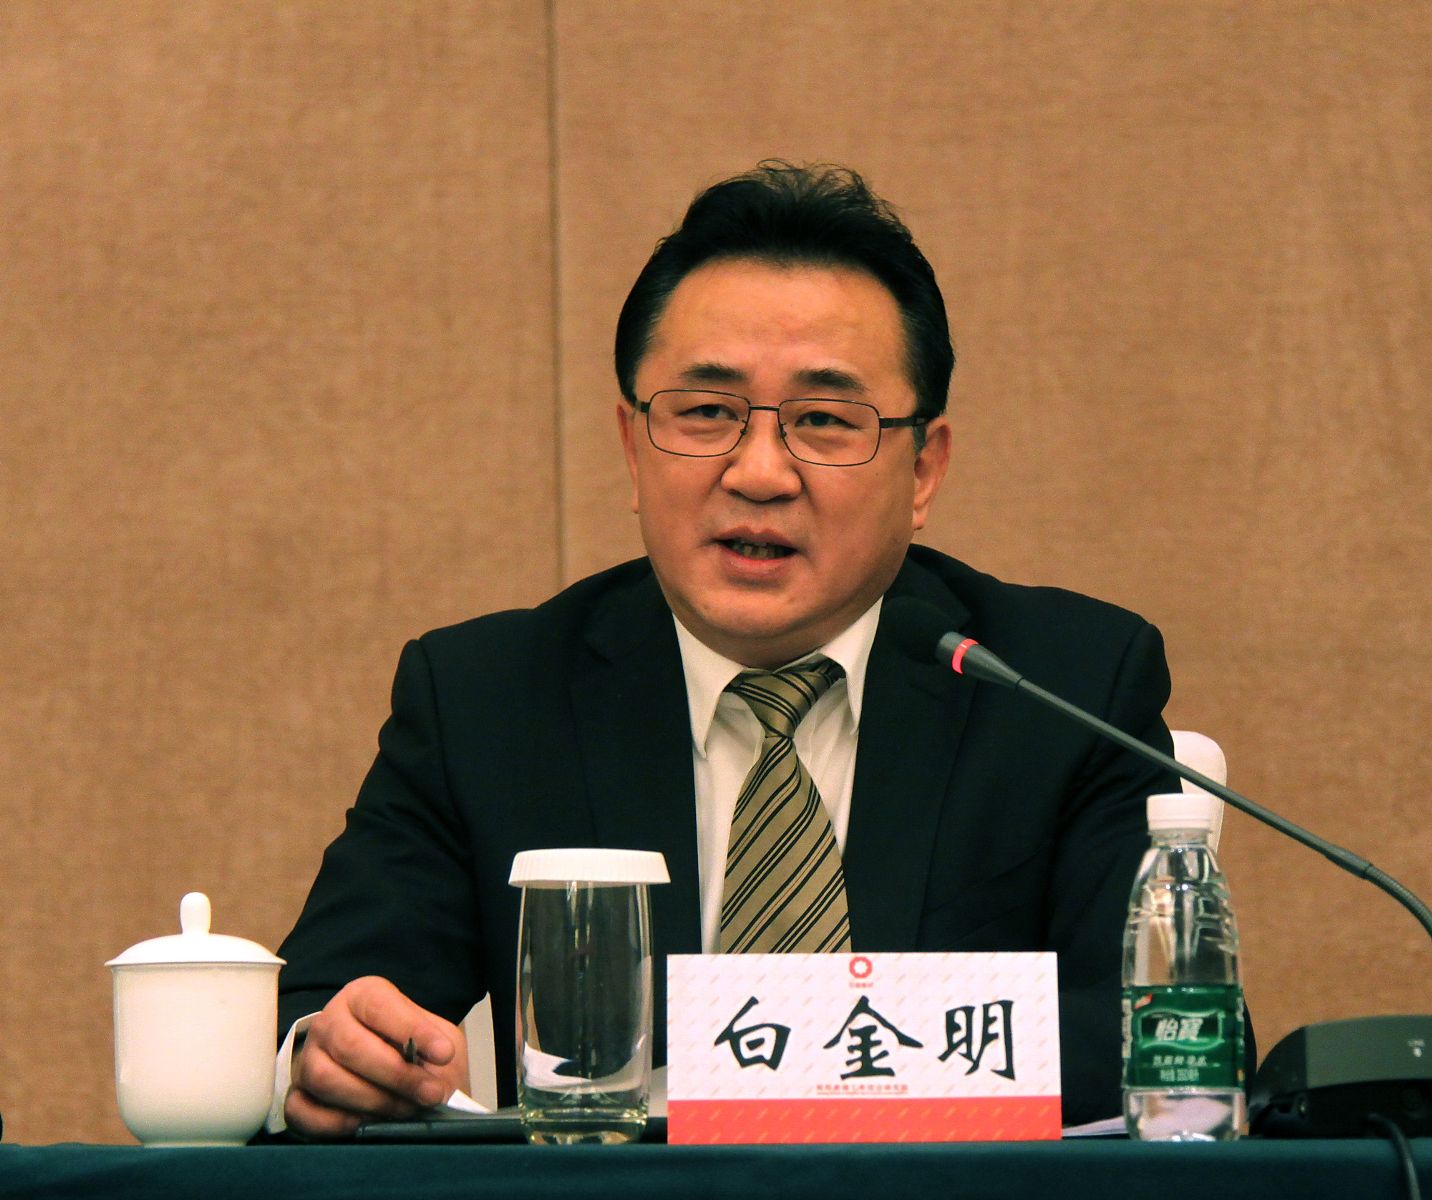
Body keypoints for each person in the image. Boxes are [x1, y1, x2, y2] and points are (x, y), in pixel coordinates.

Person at [273, 162, 1182, 1136]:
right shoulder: (488, 701)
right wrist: (333, 1052)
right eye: (706, 413)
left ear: (923, 470)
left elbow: (1164, 1037)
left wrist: (771, 1062)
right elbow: (320, 1014)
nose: (758, 473)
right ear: (633, 447)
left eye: (823, 421)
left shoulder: (1064, 687)